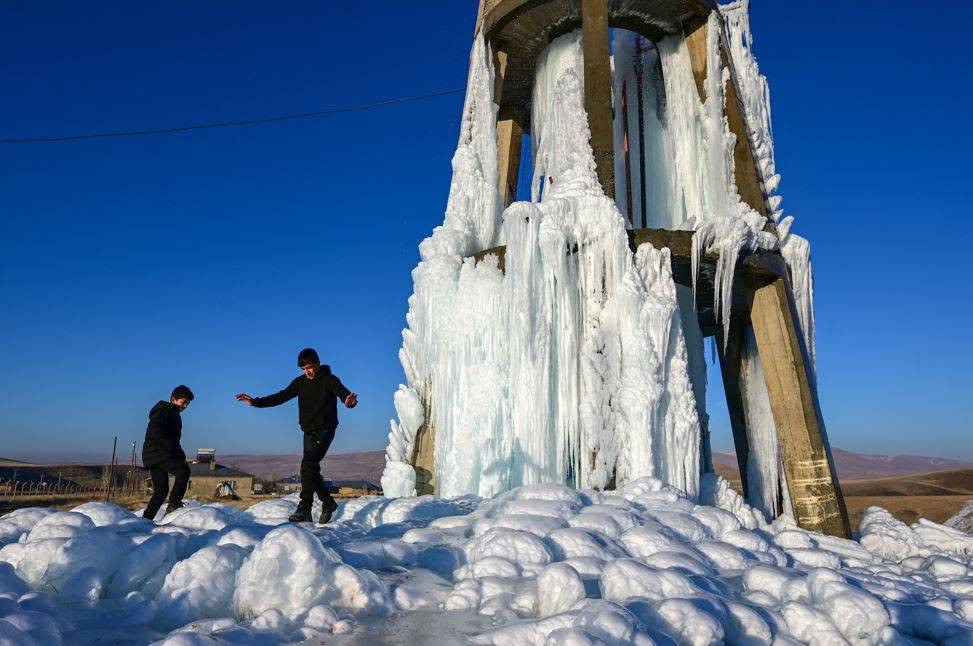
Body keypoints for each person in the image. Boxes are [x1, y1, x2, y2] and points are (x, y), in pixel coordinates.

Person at [236, 348, 357, 524]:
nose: (308, 371)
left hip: (325, 430)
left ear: (317, 363)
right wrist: (254, 402)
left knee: (307, 465)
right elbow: (280, 397)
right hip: (308, 432)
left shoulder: (330, 380)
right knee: (310, 470)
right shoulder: (300, 383)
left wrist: (349, 402)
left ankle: (304, 509)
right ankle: (328, 502)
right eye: (303, 368)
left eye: (310, 367)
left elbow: (345, 395)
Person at [142, 385, 193, 521]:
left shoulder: (171, 412)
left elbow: (174, 440)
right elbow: (157, 432)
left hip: (152, 455)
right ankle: (174, 504)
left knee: (161, 492)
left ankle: (145, 521)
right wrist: (175, 452)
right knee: (183, 471)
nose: (185, 406)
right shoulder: (165, 411)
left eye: (188, 403)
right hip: (159, 452)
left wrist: (178, 454)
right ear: (173, 399)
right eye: (183, 402)